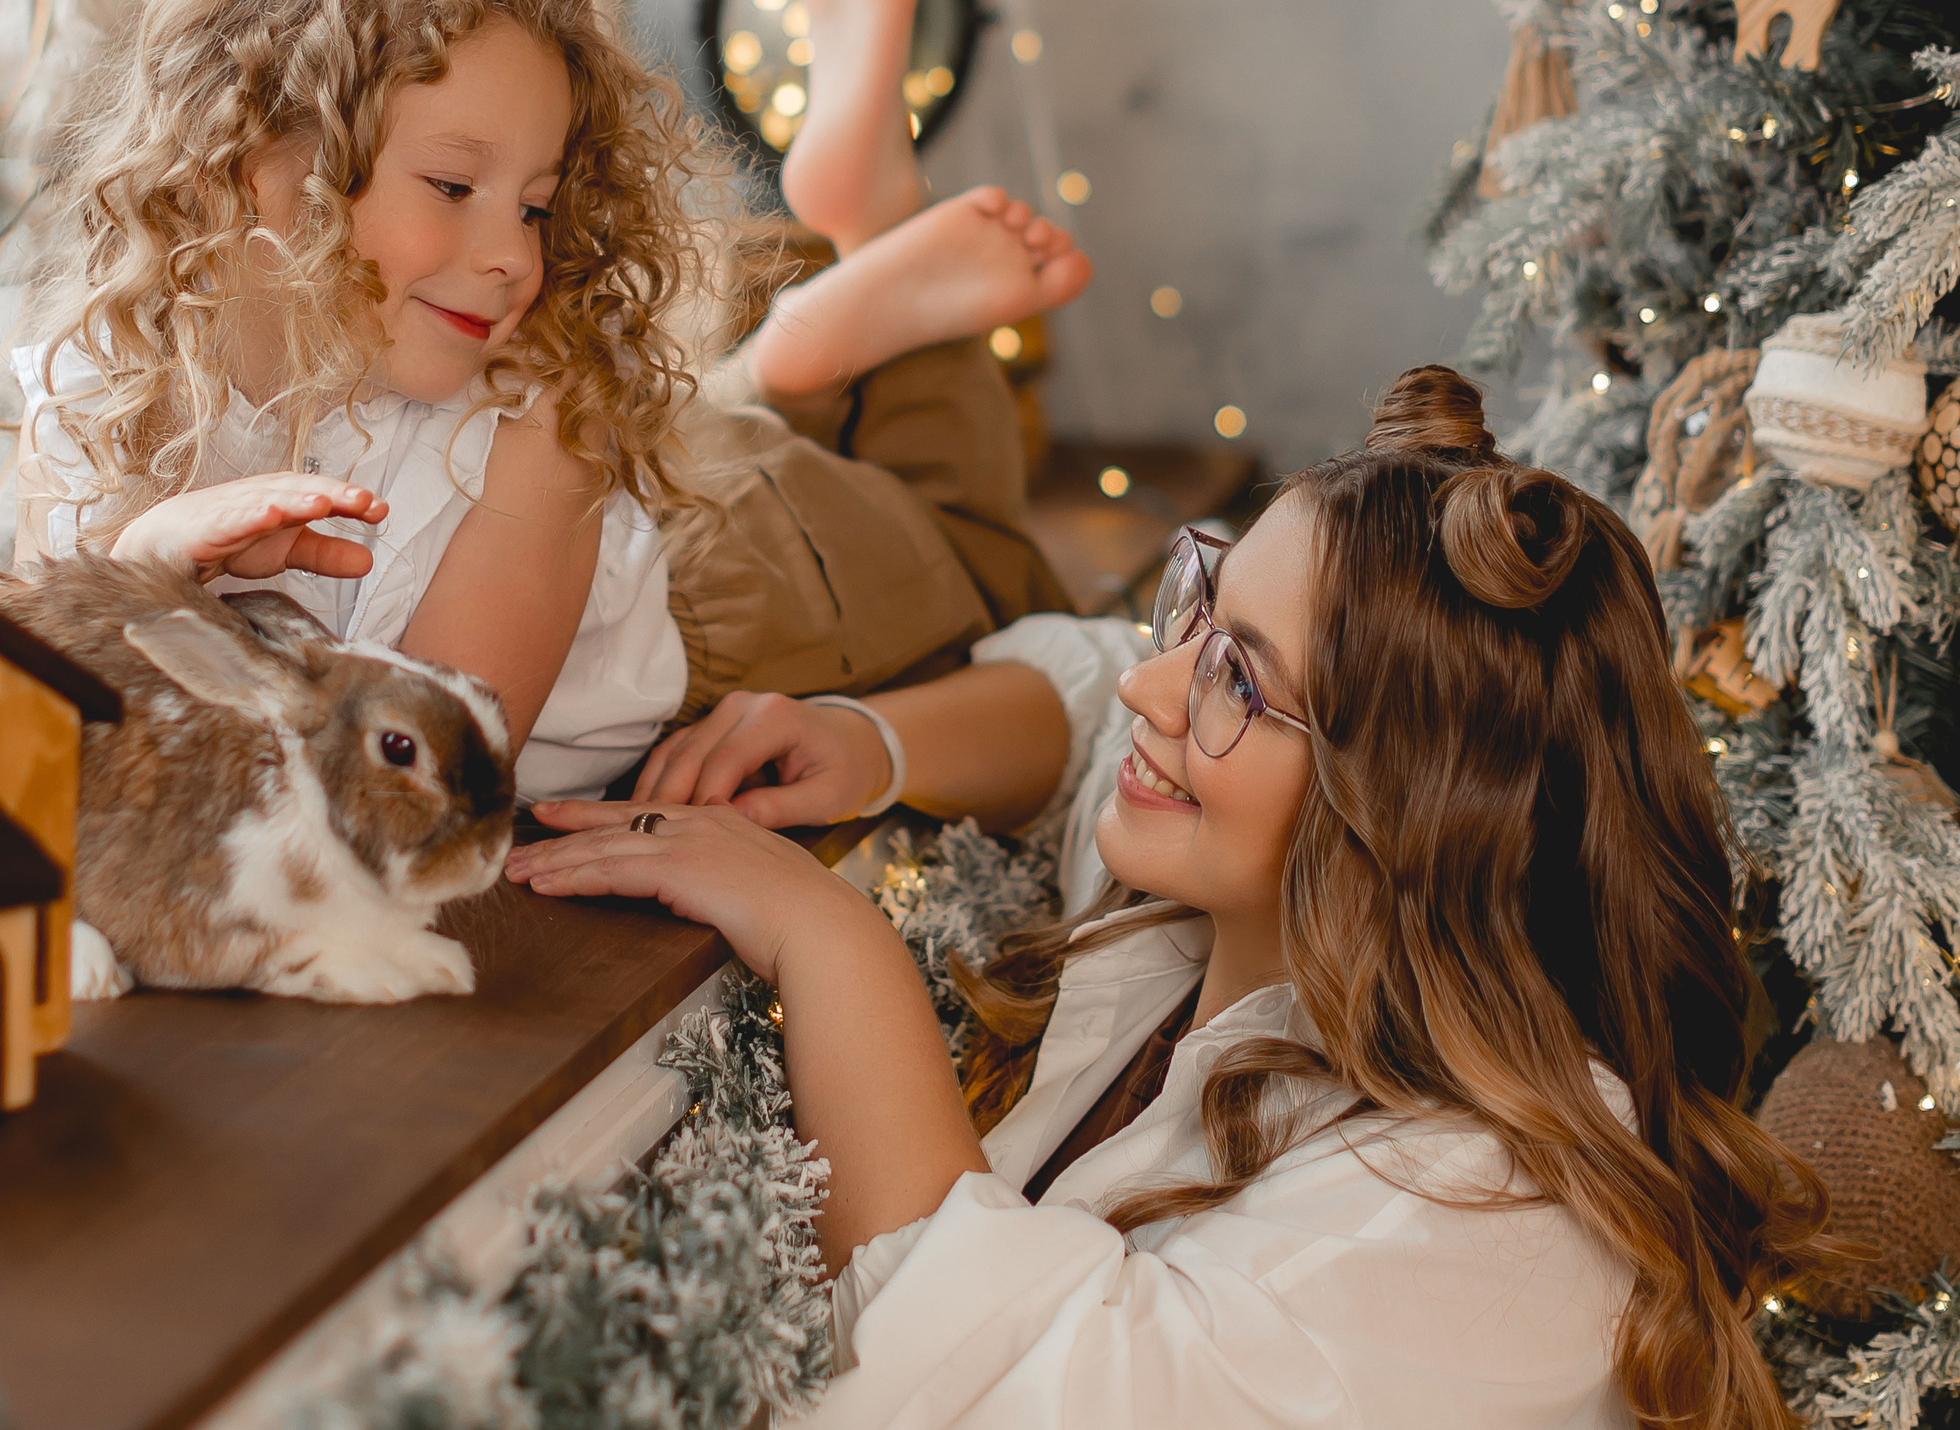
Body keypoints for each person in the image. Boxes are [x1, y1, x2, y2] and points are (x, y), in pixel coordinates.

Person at [509, 366, 1839, 1428]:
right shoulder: (1230, 918)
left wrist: (824, 934)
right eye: (1202, 606)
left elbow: (1034, 1390)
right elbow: (1092, 688)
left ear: (1407, 816)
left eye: (1240, 675)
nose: (1166, 683)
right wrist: (871, 739)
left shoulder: (1501, 1211)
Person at [10, 0, 1089, 815]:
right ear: (248, 157)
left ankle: (869, 226)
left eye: (533, 204)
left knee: (977, 556)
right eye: (450, 184)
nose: (514, 257)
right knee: (718, 433)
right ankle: (812, 321)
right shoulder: (93, 386)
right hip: (664, 462)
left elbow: (423, 787)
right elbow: (49, 714)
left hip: (732, 580)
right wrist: (150, 561)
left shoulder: (540, 431)